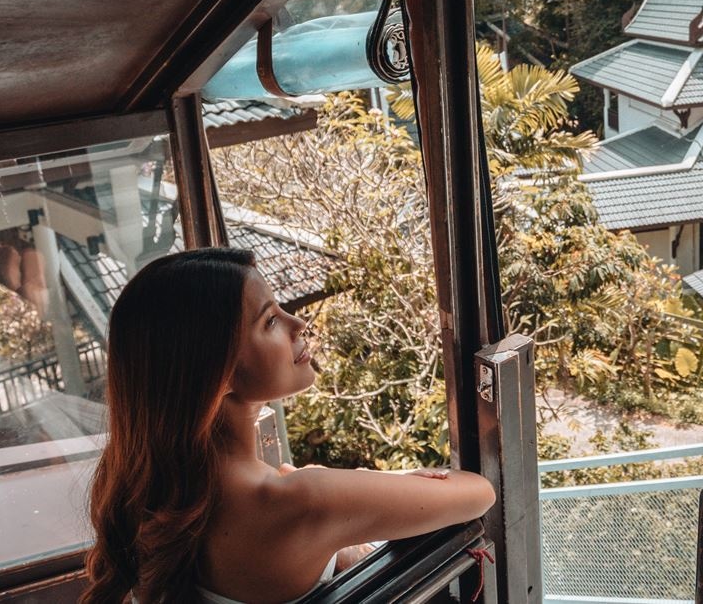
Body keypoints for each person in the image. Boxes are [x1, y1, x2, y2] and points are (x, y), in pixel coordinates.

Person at [82, 248, 495, 604]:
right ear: (217, 375)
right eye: (270, 321)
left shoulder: (150, 494)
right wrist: (358, 483)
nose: (297, 324)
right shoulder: (301, 500)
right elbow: (478, 493)